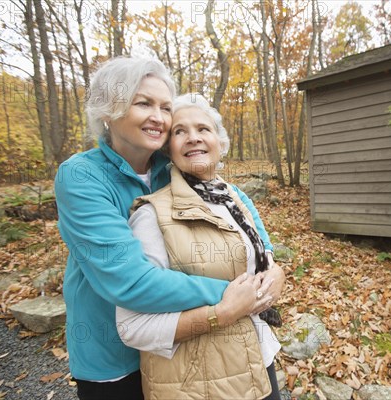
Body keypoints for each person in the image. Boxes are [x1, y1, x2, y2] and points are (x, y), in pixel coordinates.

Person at [54, 57, 279, 400]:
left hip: (181, 345)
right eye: (143, 103)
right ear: (106, 110)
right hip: (116, 357)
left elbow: (233, 200)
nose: (158, 117)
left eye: (164, 107)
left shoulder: (170, 164)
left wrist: (271, 261)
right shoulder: (82, 176)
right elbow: (130, 281)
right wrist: (236, 295)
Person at [115, 93, 285, 400]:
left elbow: (258, 260)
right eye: (180, 131)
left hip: (259, 359)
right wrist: (221, 313)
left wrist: (275, 273)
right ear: (168, 150)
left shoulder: (232, 199)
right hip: (198, 386)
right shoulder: (152, 215)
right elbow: (132, 326)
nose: (193, 138)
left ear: (220, 142)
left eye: (203, 129)